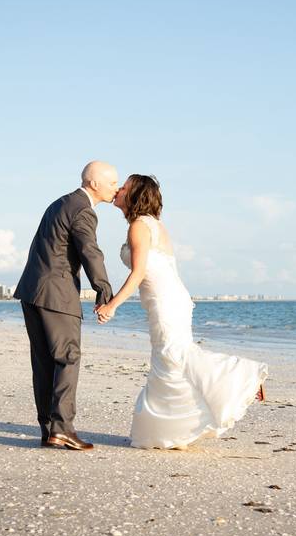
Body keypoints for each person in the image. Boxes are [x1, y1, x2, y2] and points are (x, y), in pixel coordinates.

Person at [96, 174, 268, 450]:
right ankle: (170, 432)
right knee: (170, 360)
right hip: (171, 299)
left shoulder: (140, 226)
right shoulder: (153, 224)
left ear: (135, 195)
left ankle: (244, 377)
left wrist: (112, 305)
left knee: (175, 355)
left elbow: (139, 272)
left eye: (124, 187)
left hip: (166, 301)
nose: (118, 189)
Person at [13, 161, 118, 451]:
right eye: (112, 183)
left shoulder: (59, 203)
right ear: (94, 183)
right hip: (57, 295)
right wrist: (104, 288)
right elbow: (89, 250)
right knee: (68, 358)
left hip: (31, 291)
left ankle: (48, 430)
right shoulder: (83, 209)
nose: (116, 188)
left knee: (44, 362)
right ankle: (63, 429)